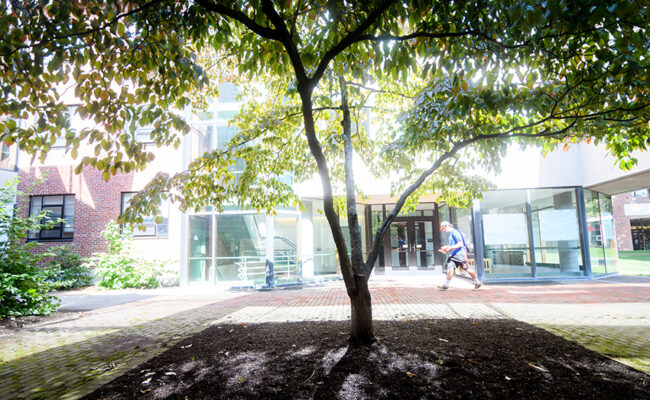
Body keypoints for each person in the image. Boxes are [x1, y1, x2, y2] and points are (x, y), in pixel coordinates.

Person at [438, 221, 481, 290]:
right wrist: (445, 250)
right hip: (453, 254)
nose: (443, 230)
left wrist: (450, 248)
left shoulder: (455, 232)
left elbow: (460, 244)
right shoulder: (450, 234)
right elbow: (452, 246)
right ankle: (446, 285)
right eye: (442, 229)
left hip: (460, 254)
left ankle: (477, 282)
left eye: (444, 228)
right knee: (450, 268)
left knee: (467, 268)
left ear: (447, 226)